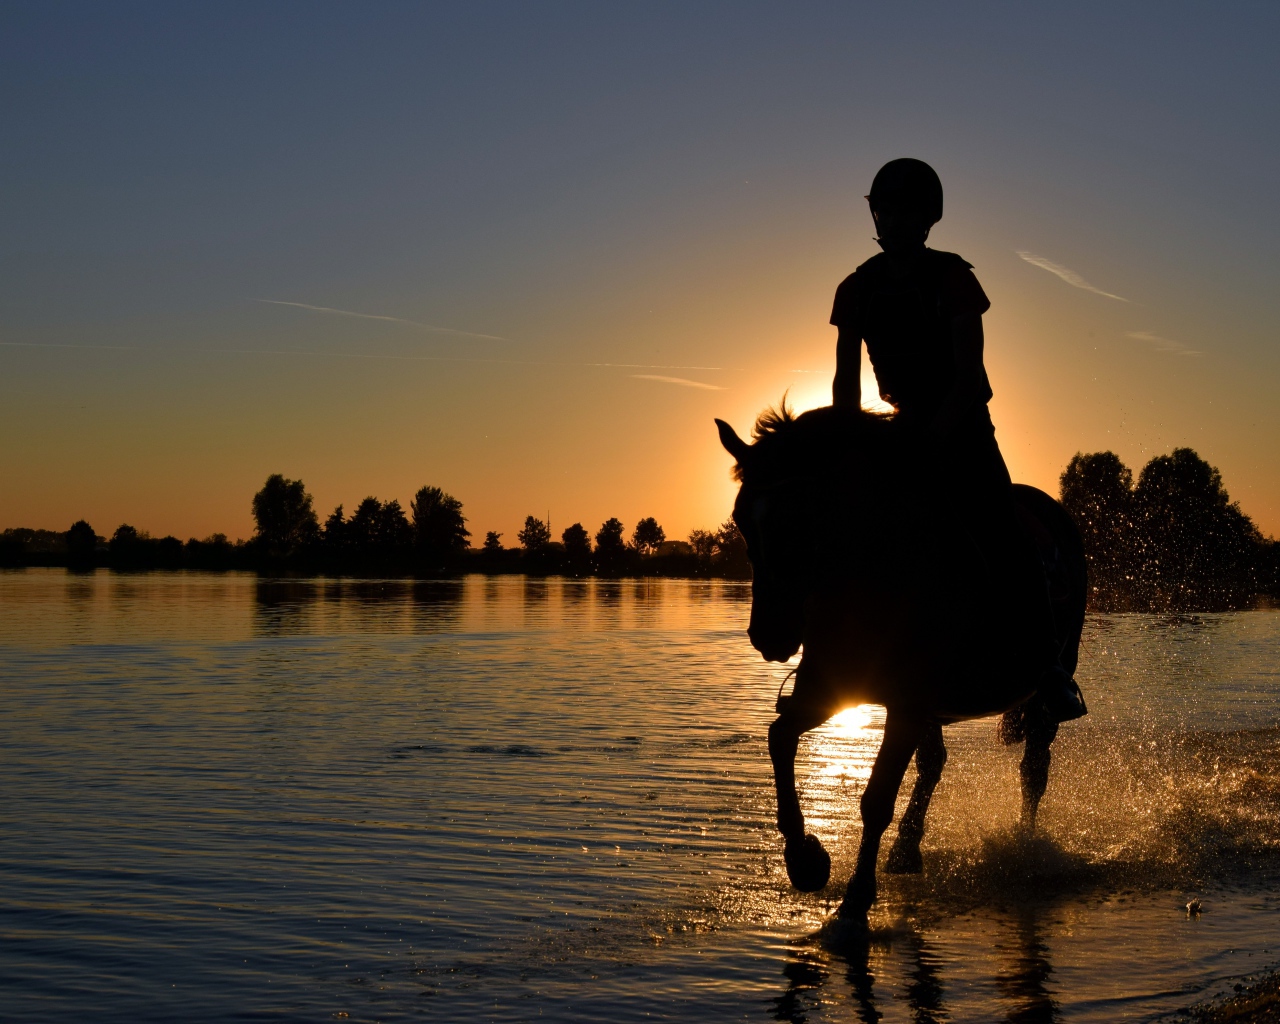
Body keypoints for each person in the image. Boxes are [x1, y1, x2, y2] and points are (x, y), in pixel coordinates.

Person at [829, 157, 1086, 723]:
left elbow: (969, 378)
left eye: (905, 213)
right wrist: (848, 443)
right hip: (899, 429)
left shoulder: (953, 280)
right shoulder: (855, 289)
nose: (892, 222)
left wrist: (932, 440)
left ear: (927, 220)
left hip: (963, 428)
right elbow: (845, 381)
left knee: (1000, 530)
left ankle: (1049, 670)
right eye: (884, 210)